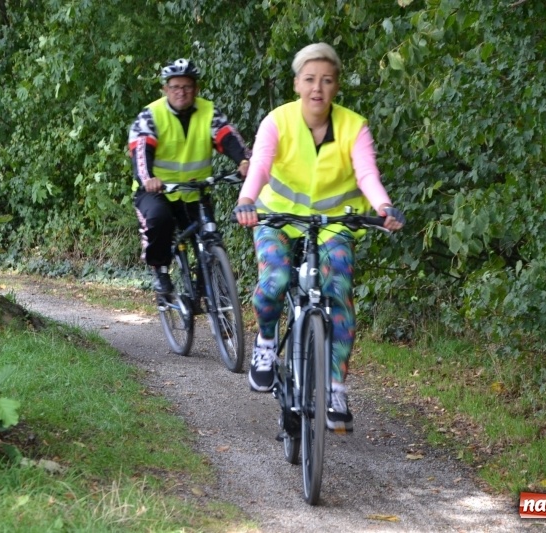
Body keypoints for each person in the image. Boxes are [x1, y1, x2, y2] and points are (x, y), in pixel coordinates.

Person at [234, 43, 405, 433]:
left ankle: (334, 387)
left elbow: (366, 175)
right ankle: (264, 342)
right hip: (275, 216)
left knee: (339, 288)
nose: (318, 88)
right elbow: (259, 166)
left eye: (326, 81)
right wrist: (246, 199)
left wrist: (383, 206)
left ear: (336, 86)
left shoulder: (353, 126)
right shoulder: (276, 121)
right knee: (275, 280)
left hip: (333, 224)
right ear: (297, 84)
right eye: (310, 79)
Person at [128, 58, 251, 295]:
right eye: (175, 87)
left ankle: (213, 294)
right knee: (159, 220)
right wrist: (148, 178)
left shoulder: (209, 111)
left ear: (196, 89)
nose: (181, 92)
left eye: (187, 87)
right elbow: (141, 151)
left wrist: (244, 161)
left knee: (209, 236)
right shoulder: (151, 115)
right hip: (157, 191)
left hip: (195, 190)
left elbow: (228, 138)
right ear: (166, 89)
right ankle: (160, 270)